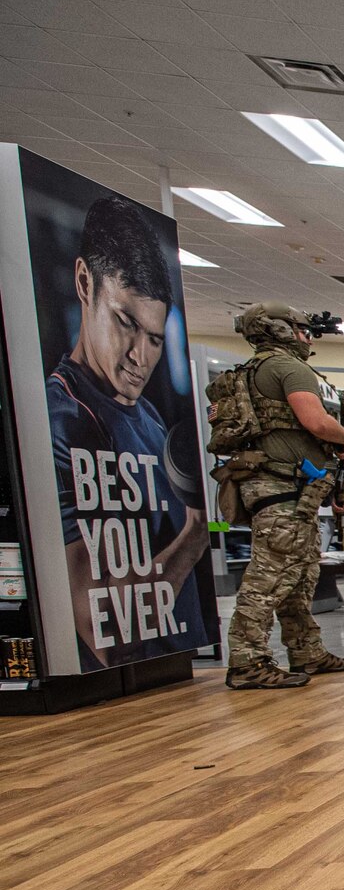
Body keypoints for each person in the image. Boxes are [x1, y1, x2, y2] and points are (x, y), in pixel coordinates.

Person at [45, 194, 211, 670]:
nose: (140, 357)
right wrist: (197, 535)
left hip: (174, 674)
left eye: (155, 339)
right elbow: (110, 637)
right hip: (125, 699)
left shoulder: (146, 416)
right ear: (84, 283)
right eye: (125, 323)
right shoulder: (65, 422)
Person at [223, 302, 344, 689]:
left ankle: (306, 650)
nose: (307, 337)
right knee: (270, 575)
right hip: (282, 488)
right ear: (281, 330)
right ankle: (247, 661)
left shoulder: (249, 372)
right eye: (302, 330)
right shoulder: (287, 367)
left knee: (298, 573)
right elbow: (315, 421)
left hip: (282, 487)